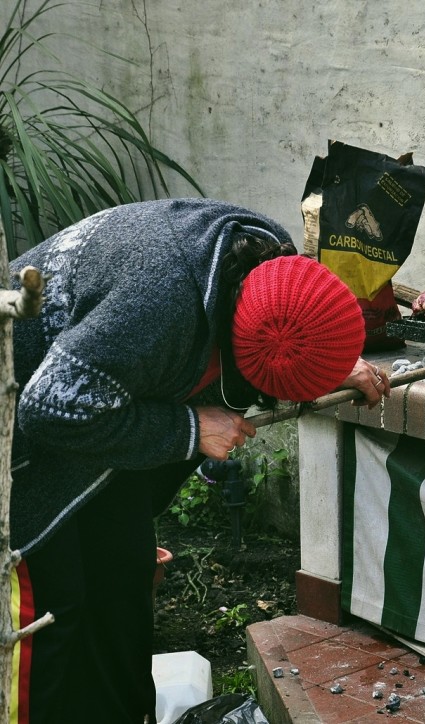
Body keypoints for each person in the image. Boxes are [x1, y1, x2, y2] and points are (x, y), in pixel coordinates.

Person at [7, 198, 391, 723]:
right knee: (57, 614)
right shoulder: (154, 303)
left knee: (122, 588)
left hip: (100, 416)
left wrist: (330, 365)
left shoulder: (260, 263)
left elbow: (280, 336)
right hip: (22, 436)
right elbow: (48, 409)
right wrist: (190, 429)